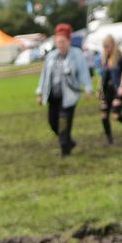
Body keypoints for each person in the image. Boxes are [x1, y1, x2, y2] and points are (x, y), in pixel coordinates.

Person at [34, 22, 92, 158]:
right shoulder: (51, 56)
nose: (60, 44)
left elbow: (84, 72)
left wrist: (88, 88)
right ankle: (68, 142)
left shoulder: (77, 54)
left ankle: (64, 150)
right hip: (53, 95)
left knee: (64, 123)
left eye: (63, 42)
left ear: (68, 41)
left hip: (69, 95)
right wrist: (40, 92)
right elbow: (44, 75)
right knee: (53, 122)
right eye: (58, 42)